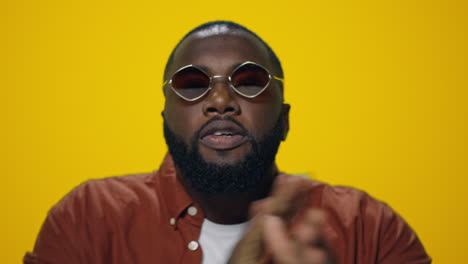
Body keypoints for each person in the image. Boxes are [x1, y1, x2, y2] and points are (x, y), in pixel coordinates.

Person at [24, 21, 431, 264]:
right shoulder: (89, 219)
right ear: (165, 118)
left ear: (285, 120)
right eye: (192, 84)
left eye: (250, 82)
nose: (221, 101)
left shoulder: (369, 227)